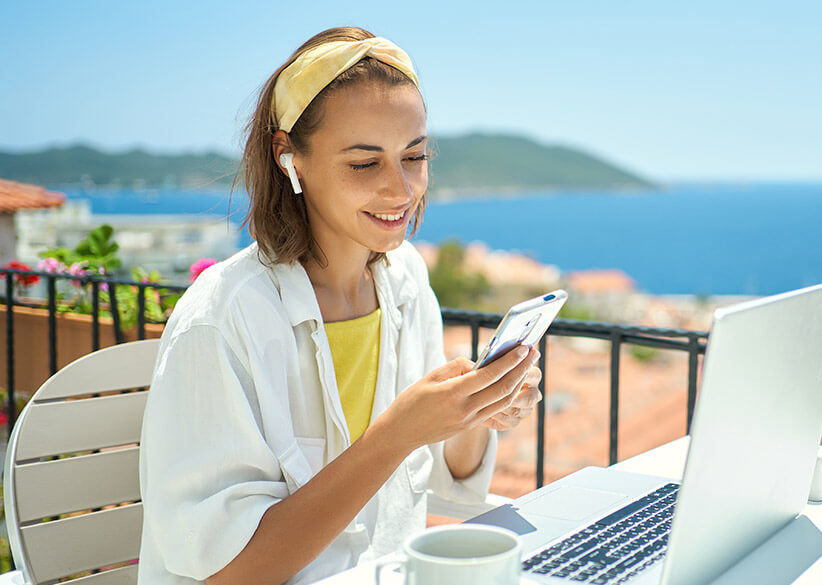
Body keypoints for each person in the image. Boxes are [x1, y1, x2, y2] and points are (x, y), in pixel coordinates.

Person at [138, 26, 542, 585]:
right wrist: (397, 433)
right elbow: (229, 571)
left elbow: (448, 479)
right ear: (289, 159)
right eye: (364, 163)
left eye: (415, 156)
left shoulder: (405, 282)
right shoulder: (222, 319)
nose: (401, 190)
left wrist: (476, 413)